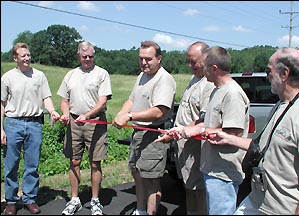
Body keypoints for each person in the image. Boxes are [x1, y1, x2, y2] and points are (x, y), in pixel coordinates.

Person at [206, 47, 299, 215]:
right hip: (258, 200)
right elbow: (264, 147)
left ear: (284, 74)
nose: (267, 75)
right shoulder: (281, 106)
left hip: (283, 209)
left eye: (269, 70)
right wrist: (227, 138)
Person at [159, 46, 250, 214]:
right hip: (212, 167)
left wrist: (198, 131)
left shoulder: (232, 94)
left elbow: (233, 135)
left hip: (224, 172)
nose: (200, 69)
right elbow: (209, 123)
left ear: (214, 68)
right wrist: (185, 130)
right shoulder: (217, 90)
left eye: (204, 65)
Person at [112, 40, 176, 215]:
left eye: (148, 59)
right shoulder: (142, 76)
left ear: (159, 58)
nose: (143, 63)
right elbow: (132, 100)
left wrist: (130, 116)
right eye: (141, 59)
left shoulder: (164, 79)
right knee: (138, 175)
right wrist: (120, 114)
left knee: (151, 181)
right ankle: (140, 210)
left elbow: (158, 111)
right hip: (138, 133)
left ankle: (150, 212)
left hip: (154, 135)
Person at [1, 42, 60, 215]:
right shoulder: (7, 77)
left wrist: (52, 111)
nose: (26, 58)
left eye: (28, 55)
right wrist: (1, 129)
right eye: (22, 55)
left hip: (34, 123)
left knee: (32, 165)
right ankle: (11, 201)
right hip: (13, 123)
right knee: (11, 164)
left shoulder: (39, 76)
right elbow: (2, 105)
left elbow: (46, 98)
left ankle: (29, 198)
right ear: (15, 58)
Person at [156, 41, 214, 215]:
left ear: (206, 59)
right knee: (189, 186)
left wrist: (176, 133)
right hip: (184, 145)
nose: (190, 66)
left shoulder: (208, 84)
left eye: (194, 62)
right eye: (188, 61)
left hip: (197, 149)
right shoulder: (195, 78)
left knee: (199, 189)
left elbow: (204, 120)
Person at [57, 41, 112, 215]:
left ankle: (95, 200)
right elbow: (64, 100)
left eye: (91, 56)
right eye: (84, 56)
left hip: (94, 122)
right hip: (74, 122)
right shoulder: (71, 74)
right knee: (74, 161)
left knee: (95, 162)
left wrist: (87, 116)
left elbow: (102, 100)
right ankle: (75, 199)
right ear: (78, 56)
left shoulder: (101, 73)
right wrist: (65, 114)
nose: (88, 59)